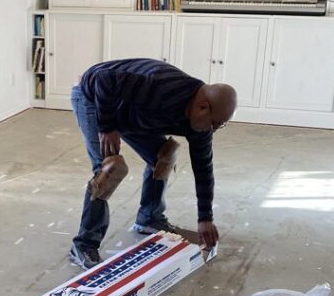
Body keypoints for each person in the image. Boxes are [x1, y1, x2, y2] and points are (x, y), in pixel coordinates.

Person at [69, 58, 237, 269]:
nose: (212, 130)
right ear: (203, 107)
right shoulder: (159, 86)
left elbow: (203, 169)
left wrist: (205, 218)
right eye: (214, 123)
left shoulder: (200, 127)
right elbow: (102, 79)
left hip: (134, 115)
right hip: (94, 98)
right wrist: (107, 126)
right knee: (109, 171)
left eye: (219, 127)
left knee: (164, 156)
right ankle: (84, 245)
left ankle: (149, 218)